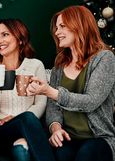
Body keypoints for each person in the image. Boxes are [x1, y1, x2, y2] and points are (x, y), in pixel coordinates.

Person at [27, 5, 115, 161]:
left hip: (98, 138)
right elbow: (53, 107)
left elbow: (91, 101)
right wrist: (55, 129)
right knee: (60, 155)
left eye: (62, 26)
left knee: (86, 154)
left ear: (79, 26)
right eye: (56, 28)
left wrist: (50, 92)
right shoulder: (59, 66)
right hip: (69, 138)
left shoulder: (104, 58)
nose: (57, 32)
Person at [0, 18, 55, 161]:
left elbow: (40, 103)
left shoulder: (35, 66)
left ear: (20, 39)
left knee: (22, 149)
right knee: (26, 120)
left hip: (24, 131)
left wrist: (17, 119)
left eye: (5, 34)